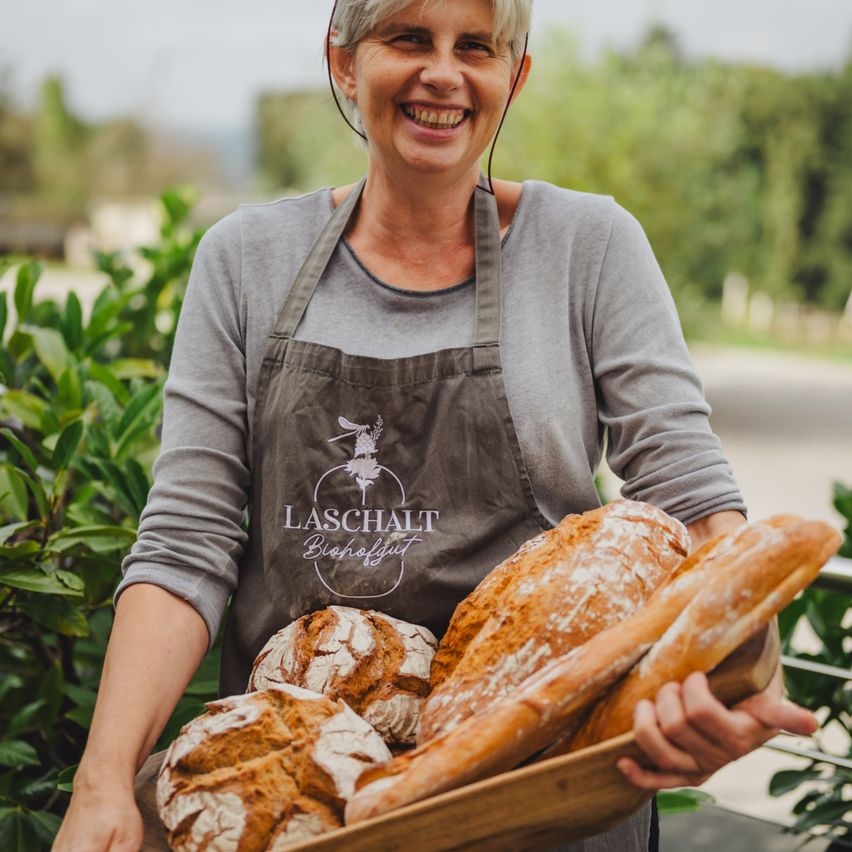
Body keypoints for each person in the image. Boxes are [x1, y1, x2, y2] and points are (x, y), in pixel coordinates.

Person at [53, 1, 818, 849]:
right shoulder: (243, 262)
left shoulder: (588, 248)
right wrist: (103, 781)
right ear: (344, 62)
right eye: (409, 38)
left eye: (477, 48)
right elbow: (185, 542)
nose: (443, 73)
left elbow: (694, 500)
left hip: (538, 799)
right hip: (292, 805)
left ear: (513, 78)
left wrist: (735, 681)